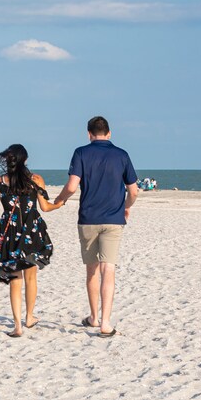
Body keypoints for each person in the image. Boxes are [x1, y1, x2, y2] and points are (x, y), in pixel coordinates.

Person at [54, 116, 138, 338]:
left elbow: (72, 186)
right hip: (113, 219)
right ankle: (106, 323)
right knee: (108, 269)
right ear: (109, 134)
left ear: (89, 134)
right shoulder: (122, 155)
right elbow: (134, 191)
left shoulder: (81, 152)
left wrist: (59, 200)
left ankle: (93, 316)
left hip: (88, 218)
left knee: (91, 269)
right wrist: (126, 207)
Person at [0, 144, 64, 337]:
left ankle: (17, 326)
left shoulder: (0, 181)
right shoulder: (36, 180)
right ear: (25, 160)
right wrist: (59, 204)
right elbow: (45, 207)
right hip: (31, 232)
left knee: (15, 280)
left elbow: (8, 207)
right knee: (31, 277)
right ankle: (29, 317)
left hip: (11, 234)